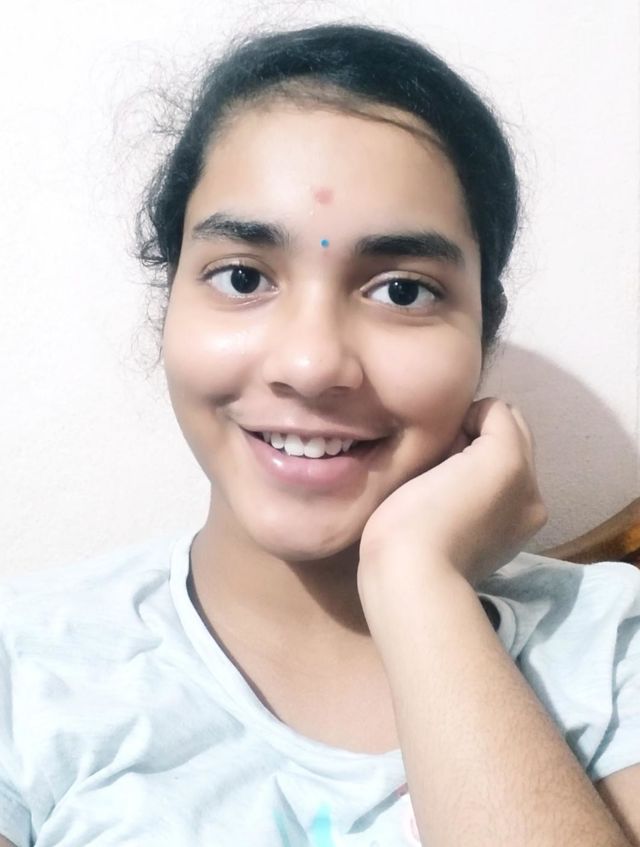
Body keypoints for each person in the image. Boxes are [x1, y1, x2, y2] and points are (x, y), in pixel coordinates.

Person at [1, 21, 638, 847]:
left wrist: (417, 581)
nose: (310, 364)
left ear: (483, 333)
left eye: (403, 290)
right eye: (242, 276)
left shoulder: (610, 651)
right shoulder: (28, 670)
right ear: (170, 303)